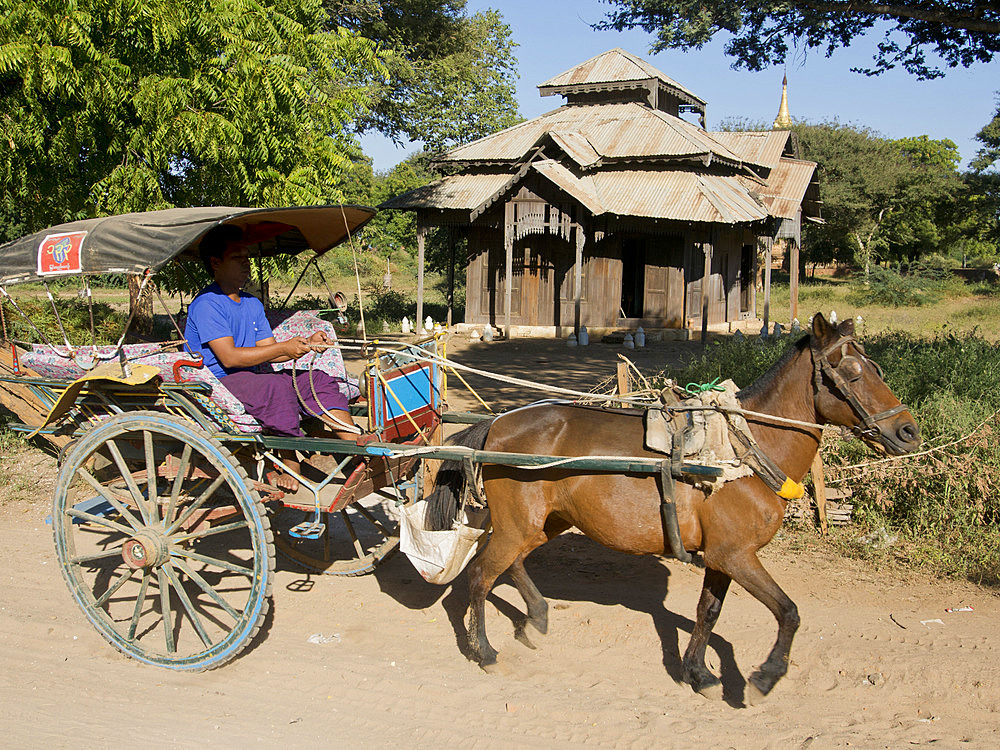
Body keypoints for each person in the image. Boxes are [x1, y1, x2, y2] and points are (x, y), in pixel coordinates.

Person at [184, 224, 356, 492]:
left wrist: (307, 344)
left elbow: (270, 349)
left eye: (247, 258)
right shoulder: (207, 304)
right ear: (216, 263)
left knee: (317, 379)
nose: (246, 264)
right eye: (237, 258)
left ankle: (354, 447)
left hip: (252, 376)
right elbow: (228, 359)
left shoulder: (251, 303)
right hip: (218, 382)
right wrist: (283, 349)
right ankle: (287, 461)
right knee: (275, 387)